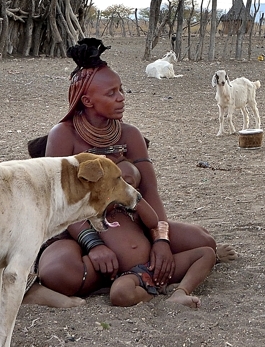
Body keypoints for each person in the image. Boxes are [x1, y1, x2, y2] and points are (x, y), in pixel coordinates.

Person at [32, 38, 219, 307]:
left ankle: (125, 271)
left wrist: (161, 240)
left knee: (205, 242)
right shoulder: (63, 135)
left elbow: (150, 191)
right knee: (59, 273)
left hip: (132, 223)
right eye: (111, 93)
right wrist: (93, 245)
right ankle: (127, 273)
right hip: (74, 227)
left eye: (121, 90)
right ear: (87, 100)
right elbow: (58, 202)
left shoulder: (130, 135)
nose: (121, 98)